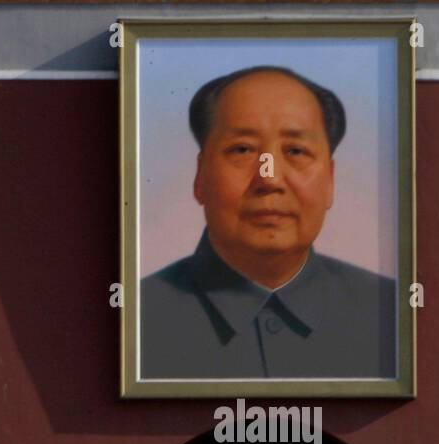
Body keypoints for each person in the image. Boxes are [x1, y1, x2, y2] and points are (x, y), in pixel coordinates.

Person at [141, 65, 397, 380]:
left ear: (330, 181)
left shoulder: (393, 316)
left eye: (295, 150)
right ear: (199, 178)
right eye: (243, 149)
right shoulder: (135, 321)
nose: (269, 177)